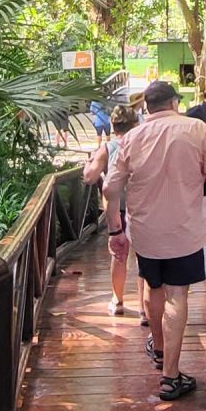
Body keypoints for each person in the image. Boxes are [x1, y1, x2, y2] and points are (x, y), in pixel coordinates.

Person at [103, 81, 206, 401]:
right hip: (184, 231)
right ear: (175, 102)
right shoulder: (197, 129)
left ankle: (160, 348)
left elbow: (110, 189)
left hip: (145, 232)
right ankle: (171, 376)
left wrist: (115, 231)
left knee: (153, 286)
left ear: (147, 107)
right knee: (177, 295)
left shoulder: (131, 137)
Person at [83, 106, 147, 318]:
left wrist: (89, 163)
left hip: (116, 209)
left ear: (113, 125)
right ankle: (144, 308)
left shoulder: (107, 148)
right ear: (135, 124)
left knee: (119, 255)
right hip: (142, 207)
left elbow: (89, 177)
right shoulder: (143, 145)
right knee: (144, 257)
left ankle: (117, 301)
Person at [184, 100, 206, 280]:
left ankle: (193, 264)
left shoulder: (182, 142)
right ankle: (205, 265)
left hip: (186, 191)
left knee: (191, 226)